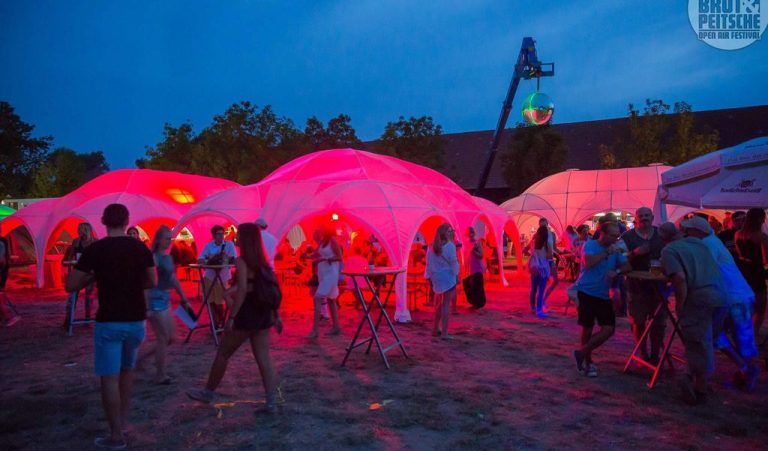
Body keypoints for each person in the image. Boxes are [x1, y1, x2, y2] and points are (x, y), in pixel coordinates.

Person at [65, 203, 156, 450]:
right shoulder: (140, 247)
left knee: (109, 378)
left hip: (109, 321)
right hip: (135, 319)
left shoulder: (96, 249)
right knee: (127, 372)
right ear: (127, 221)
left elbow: (71, 285)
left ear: (104, 221)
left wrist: (95, 276)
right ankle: (123, 423)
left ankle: (115, 435)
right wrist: (131, 282)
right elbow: (151, 280)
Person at [187, 223, 281, 413]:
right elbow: (257, 286)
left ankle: (208, 392)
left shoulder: (241, 261)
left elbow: (244, 289)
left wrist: (232, 317)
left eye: (238, 234)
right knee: (263, 358)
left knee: (223, 353)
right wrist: (276, 316)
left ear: (245, 239)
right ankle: (272, 402)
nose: (235, 237)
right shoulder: (262, 262)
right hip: (263, 313)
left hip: (247, 313)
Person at [687, 217, 760, 392]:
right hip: (730, 296)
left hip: (736, 296)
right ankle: (746, 368)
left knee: (739, 337)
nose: (687, 233)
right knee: (719, 335)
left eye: (689, 230)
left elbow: (704, 270)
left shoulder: (708, 244)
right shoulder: (710, 242)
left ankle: (748, 369)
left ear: (698, 231)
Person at [659, 221, 726, 405]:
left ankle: (699, 389)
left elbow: (680, 278)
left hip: (699, 297)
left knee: (697, 344)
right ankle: (694, 378)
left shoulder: (670, 250)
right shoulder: (700, 244)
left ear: (663, 238)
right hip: (721, 295)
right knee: (707, 342)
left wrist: (680, 304)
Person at [572, 221, 630, 378]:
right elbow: (589, 262)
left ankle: (581, 353)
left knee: (609, 328)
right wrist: (607, 253)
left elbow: (627, 266)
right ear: (603, 234)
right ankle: (588, 361)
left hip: (603, 294)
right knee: (588, 328)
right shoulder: (590, 245)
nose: (616, 238)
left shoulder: (616, 248)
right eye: (613, 235)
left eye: (617, 235)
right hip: (586, 291)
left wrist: (617, 271)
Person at [136, 226, 191, 385]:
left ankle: (139, 360)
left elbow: (173, 279)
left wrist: (184, 298)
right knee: (163, 338)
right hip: (155, 299)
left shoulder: (168, 258)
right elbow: (146, 283)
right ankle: (160, 374)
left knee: (170, 338)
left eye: (170, 238)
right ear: (159, 240)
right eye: (167, 238)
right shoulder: (153, 258)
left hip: (165, 298)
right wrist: (147, 307)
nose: (169, 241)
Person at [622, 207, 666, 365]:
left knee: (659, 322)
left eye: (647, 215)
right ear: (636, 218)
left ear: (652, 217)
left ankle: (655, 354)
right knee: (638, 321)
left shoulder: (660, 234)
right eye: (641, 215)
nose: (644, 218)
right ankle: (642, 352)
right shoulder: (627, 237)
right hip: (636, 286)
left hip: (659, 286)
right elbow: (619, 259)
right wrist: (635, 253)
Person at [735, 208, 768, 340]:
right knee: (760, 308)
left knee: (747, 306)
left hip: (743, 271)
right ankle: (753, 335)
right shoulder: (761, 236)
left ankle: (744, 333)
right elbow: (766, 260)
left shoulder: (738, 234)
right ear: (760, 219)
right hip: (757, 272)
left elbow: (739, 253)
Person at [306, 226, 342, 338]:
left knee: (317, 297)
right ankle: (336, 327)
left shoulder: (332, 240)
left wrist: (326, 259)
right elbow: (316, 254)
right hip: (323, 273)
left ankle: (315, 330)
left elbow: (339, 256)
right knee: (331, 300)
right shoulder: (322, 242)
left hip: (331, 273)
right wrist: (307, 256)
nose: (319, 231)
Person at [198, 225, 237, 329]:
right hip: (209, 276)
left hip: (222, 277)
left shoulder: (229, 244)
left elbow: (234, 258)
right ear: (214, 235)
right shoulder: (209, 245)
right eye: (218, 234)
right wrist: (208, 260)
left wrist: (223, 258)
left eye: (222, 234)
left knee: (220, 302)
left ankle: (221, 321)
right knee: (210, 301)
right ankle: (214, 322)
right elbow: (200, 259)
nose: (221, 236)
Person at [426, 223, 460, 339]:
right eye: (450, 231)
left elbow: (429, 264)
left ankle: (435, 329)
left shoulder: (431, 246)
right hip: (447, 278)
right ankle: (445, 333)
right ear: (445, 233)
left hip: (437, 278)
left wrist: (429, 277)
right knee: (445, 304)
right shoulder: (450, 246)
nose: (452, 233)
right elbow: (454, 262)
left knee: (439, 304)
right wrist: (456, 274)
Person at [63, 222, 96, 323]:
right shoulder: (76, 242)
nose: (78, 231)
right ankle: (69, 318)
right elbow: (70, 256)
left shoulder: (94, 242)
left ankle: (88, 316)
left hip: (90, 272)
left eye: (80, 229)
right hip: (78, 270)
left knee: (88, 295)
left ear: (86, 230)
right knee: (73, 295)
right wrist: (70, 270)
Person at [528, 225, 552, 318]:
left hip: (535, 268)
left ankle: (532, 307)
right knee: (541, 290)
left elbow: (530, 252)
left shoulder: (534, 242)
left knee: (533, 289)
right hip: (543, 269)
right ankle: (539, 310)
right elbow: (549, 256)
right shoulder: (546, 244)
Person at [0, 229, 21, 327]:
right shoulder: (2, 241)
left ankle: (7, 317)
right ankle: (5, 317)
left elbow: (3, 260)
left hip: (1, 272)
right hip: (2, 271)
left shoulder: (1, 242)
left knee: (0, 296)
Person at [463, 226, 487, 309]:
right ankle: (473, 302)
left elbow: (481, 255)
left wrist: (473, 250)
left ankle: (479, 304)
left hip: (476, 268)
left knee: (477, 286)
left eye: (472, 232)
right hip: (468, 269)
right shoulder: (465, 243)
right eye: (469, 233)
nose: (471, 234)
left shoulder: (477, 243)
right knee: (467, 285)